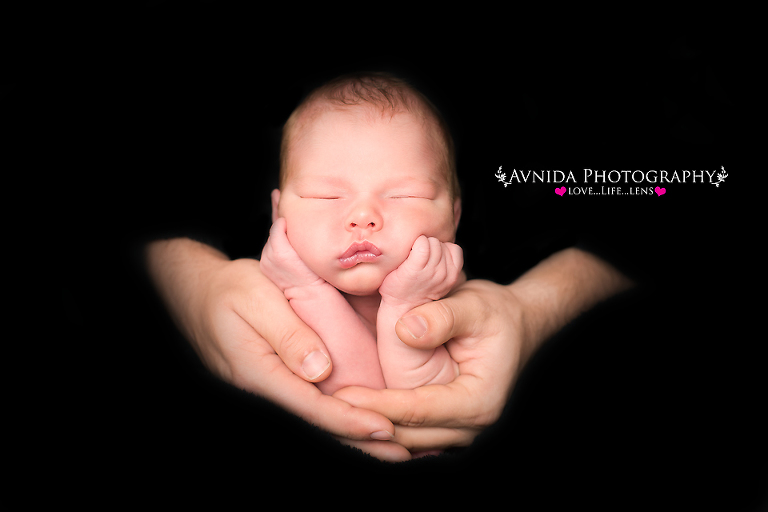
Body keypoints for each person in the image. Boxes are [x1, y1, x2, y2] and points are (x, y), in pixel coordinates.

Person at [259, 73, 464, 395]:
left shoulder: (459, 302)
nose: (363, 217)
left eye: (405, 195)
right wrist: (306, 291)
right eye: (324, 196)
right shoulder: (262, 300)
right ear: (278, 212)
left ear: (453, 216)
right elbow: (349, 395)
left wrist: (405, 307)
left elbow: (422, 405)